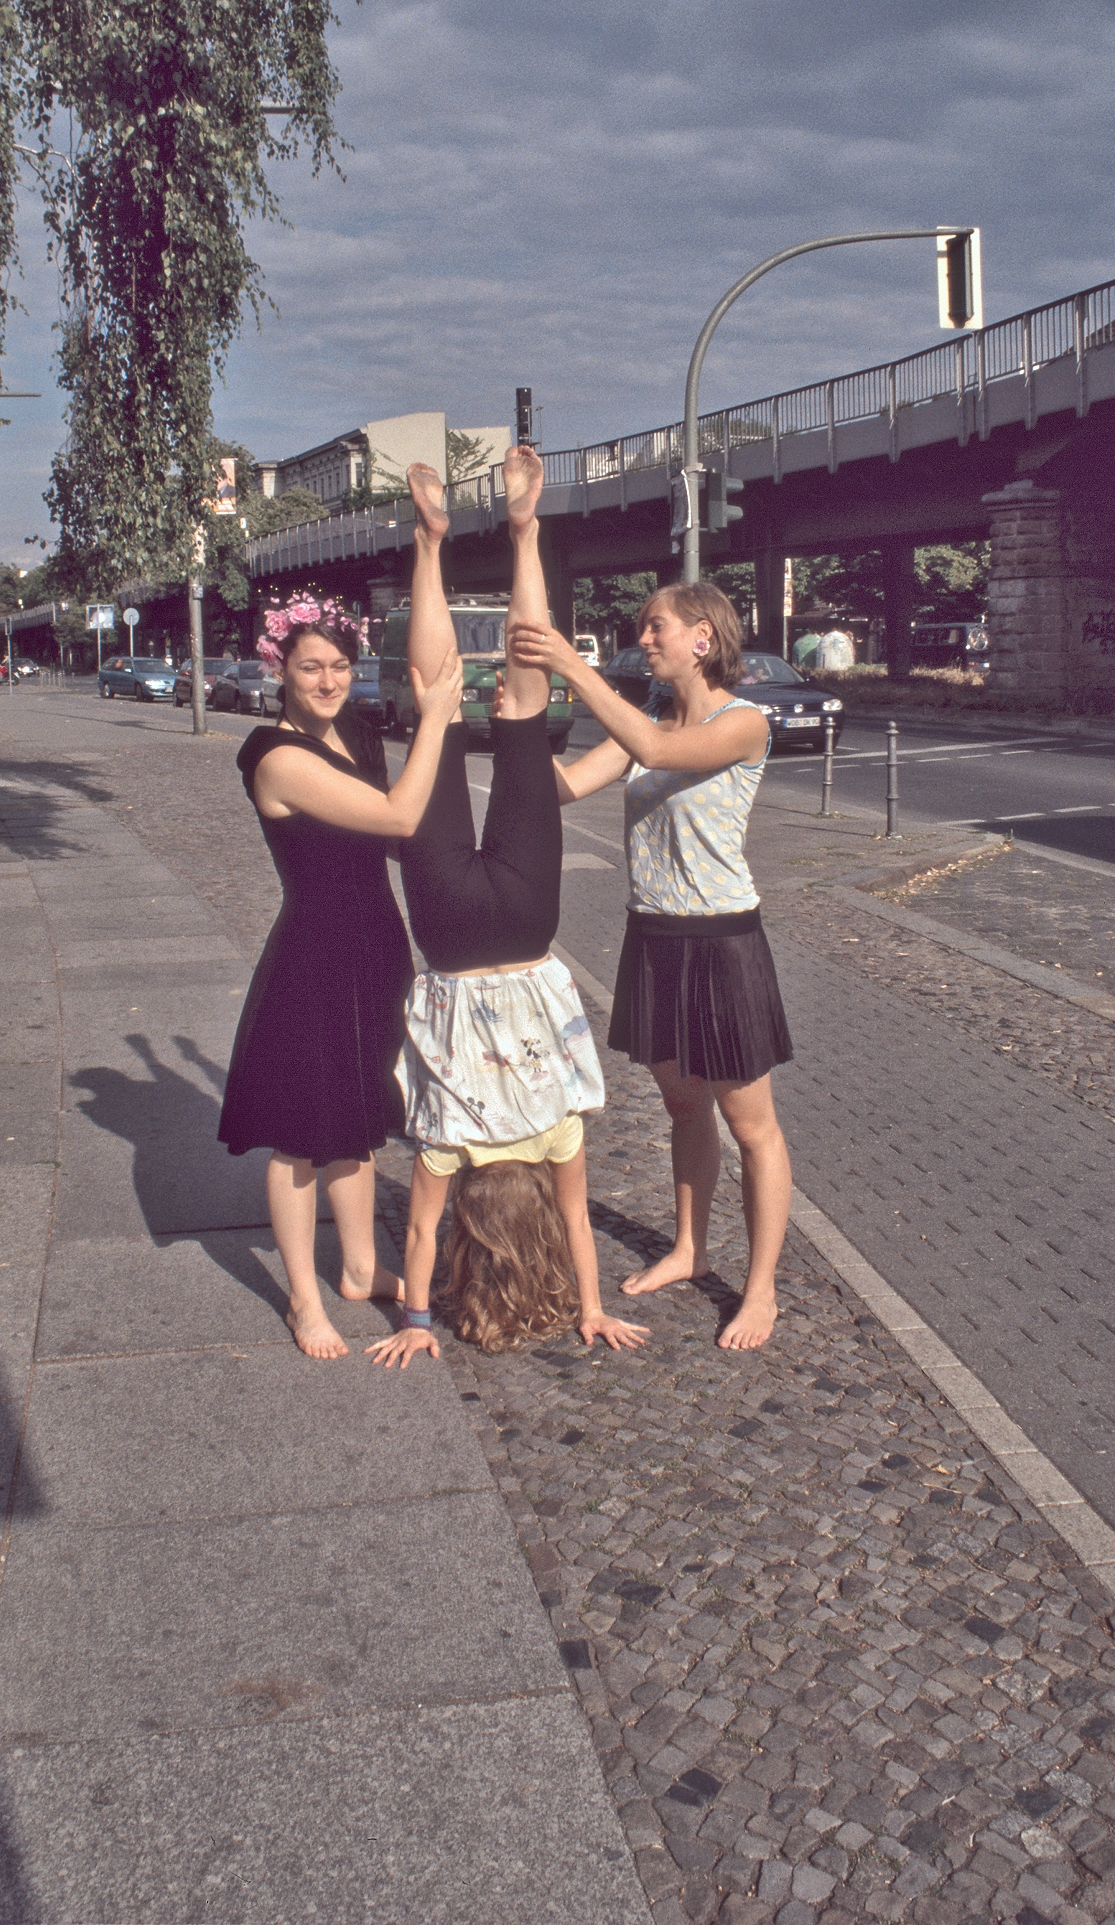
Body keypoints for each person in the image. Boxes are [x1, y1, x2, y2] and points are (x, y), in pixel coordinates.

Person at [366, 446, 648, 1369]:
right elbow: (416, 1241)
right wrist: (414, 1321)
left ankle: (526, 535)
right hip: (451, 938)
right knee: (436, 712)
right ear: (478, 1240)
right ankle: (432, 544)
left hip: (524, 930)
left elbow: (576, 1222)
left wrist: (591, 1308)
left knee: (523, 713)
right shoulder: (443, 1148)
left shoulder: (558, 1133)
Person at [511, 581, 794, 1351]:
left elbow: (660, 753)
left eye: (656, 626)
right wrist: (503, 728)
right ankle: (689, 1246)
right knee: (680, 1105)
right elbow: (563, 786)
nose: (644, 638)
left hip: (722, 940)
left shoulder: (743, 723)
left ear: (703, 638)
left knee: (750, 1124)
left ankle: (761, 1289)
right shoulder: (650, 723)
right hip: (655, 936)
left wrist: (572, 662)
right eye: (641, 627)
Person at [217, 602, 462, 1359]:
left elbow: (399, 839)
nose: (327, 680)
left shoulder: (353, 735)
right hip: (314, 956)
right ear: (279, 671)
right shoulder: (274, 755)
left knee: (356, 1117)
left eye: (339, 666)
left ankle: (359, 1268)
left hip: (373, 948)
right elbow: (394, 817)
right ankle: (301, 1298)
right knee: (297, 1134)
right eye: (309, 667)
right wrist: (436, 720)